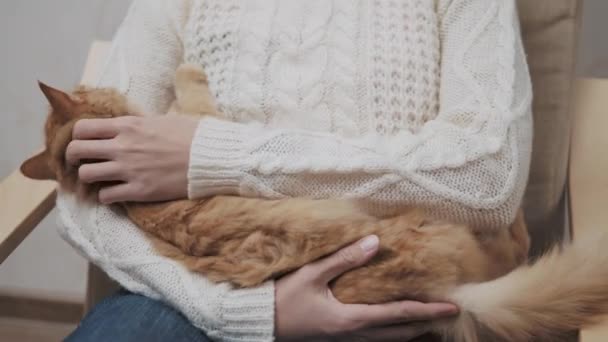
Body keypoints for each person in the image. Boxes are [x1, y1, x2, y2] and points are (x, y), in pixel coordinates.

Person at [60, 0, 532, 340]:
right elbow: (83, 190)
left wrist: (216, 156)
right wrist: (244, 312)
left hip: (401, 294)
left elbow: (488, 177)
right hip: (206, 293)